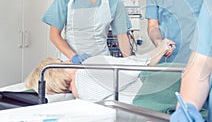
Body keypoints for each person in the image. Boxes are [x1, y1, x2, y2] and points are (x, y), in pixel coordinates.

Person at [25, 39, 171, 101]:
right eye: (62, 62)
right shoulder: (88, 70)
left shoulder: (80, 95)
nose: (68, 60)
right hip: (154, 92)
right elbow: (136, 66)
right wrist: (162, 47)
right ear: (57, 73)